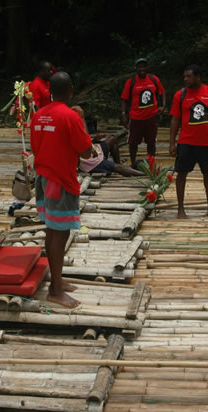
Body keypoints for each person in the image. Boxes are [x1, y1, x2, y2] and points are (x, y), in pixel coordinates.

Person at [30, 71, 93, 308]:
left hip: (43, 178)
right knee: (61, 232)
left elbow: (36, 147)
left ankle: (56, 279)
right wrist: (83, 120)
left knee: (52, 230)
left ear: (49, 92)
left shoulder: (38, 116)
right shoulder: (71, 117)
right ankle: (55, 290)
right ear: (71, 90)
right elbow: (86, 153)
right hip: (61, 180)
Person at [169, 64, 208, 219]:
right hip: (186, 142)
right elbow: (175, 119)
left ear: (198, 77)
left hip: (207, 143)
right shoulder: (180, 95)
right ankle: (180, 209)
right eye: (184, 76)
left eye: (189, 76)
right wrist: (172, 142)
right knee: (181, 175)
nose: (185, 79)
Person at [120, 58, 165, 166]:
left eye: (144, 66)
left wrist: (163, 106)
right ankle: (133, 162)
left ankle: (151, 163)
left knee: (151, 141)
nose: (142, 69)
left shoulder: (154, 79)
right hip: (136, 117)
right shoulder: (131, 82)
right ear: (136, 68)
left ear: (147, 67)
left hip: (152, 116)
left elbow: (162, 92)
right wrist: (123, 114)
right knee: (133, 142)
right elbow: (124, 99)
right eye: (139, 67)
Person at [79, 134, 144, 177]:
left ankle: (118, 164)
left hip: (96, 150)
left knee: (113, 139)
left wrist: (95, 140)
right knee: (118, 168)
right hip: (89, 160)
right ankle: (144, 174)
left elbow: (85, 140)